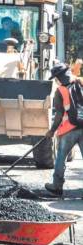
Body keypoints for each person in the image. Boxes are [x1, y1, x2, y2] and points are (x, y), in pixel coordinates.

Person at [45, 63, 83, 196]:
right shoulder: (81, 82)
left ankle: (57, 187)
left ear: (59, 78)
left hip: (69, 130)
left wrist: (52, 130)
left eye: (56, 78)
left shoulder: (60, 91)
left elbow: (59, 115)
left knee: (61, 157)